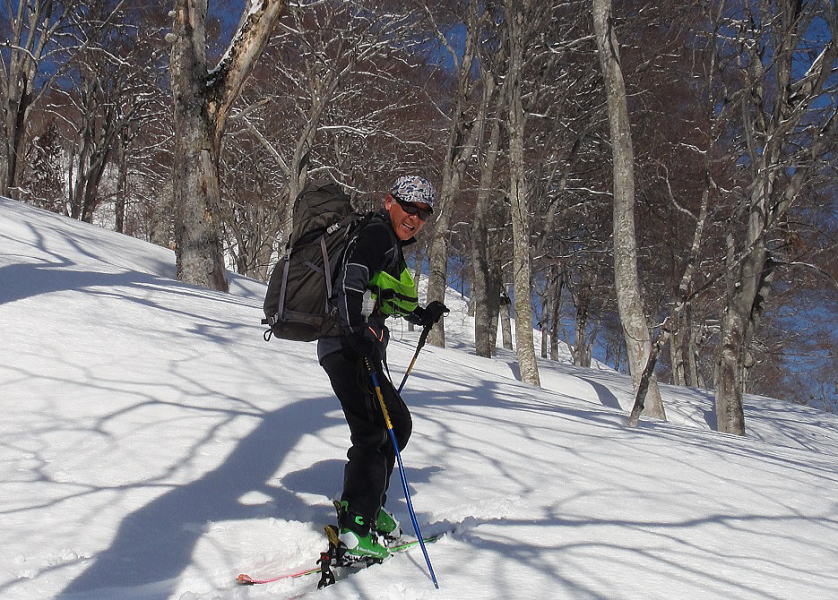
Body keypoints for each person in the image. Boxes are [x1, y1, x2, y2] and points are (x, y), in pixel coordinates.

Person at [317, 175, 448, 560]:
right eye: (410, 208)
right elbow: (351, 280)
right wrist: (353, 329)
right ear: (389, 201)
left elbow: (382, 293)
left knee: (388, 428)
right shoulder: (375, 234)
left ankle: (363, 507)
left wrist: (420, 313)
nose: (415, 218)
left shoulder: (387, 242)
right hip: (347, 345)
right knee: (379, 430)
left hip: (352, 344)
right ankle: (356, 525)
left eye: (423, 213)